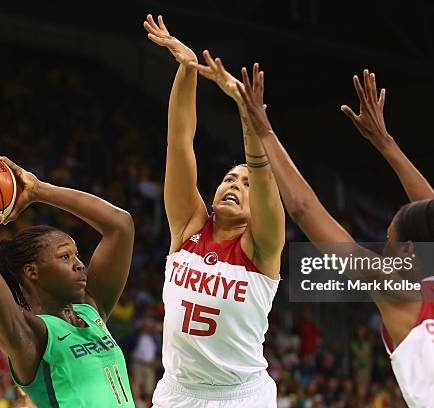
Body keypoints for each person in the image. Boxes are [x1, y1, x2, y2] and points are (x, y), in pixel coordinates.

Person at [236, 67, 434, 407]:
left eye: (389, 240)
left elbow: (303, 209)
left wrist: (265, 132)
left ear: (409, 249)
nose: (384, 250)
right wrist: (385, 143)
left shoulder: (401, 294)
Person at [143, 14, 285, 407]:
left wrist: (245, 109)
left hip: (241, 396)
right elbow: (179, 141)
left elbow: (263, 171)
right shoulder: (188, 226)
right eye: (228, 178)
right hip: (177, 392)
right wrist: (186, 69)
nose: (234, 185)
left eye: (245, 184)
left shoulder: (262, 248)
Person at [0, 156, 135, 407]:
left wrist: (37, 190)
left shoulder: (91, 311)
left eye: (76, 255)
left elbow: (121, 224)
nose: (79, 264)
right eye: (65, 256)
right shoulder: (30, 335)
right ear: (32, 272)